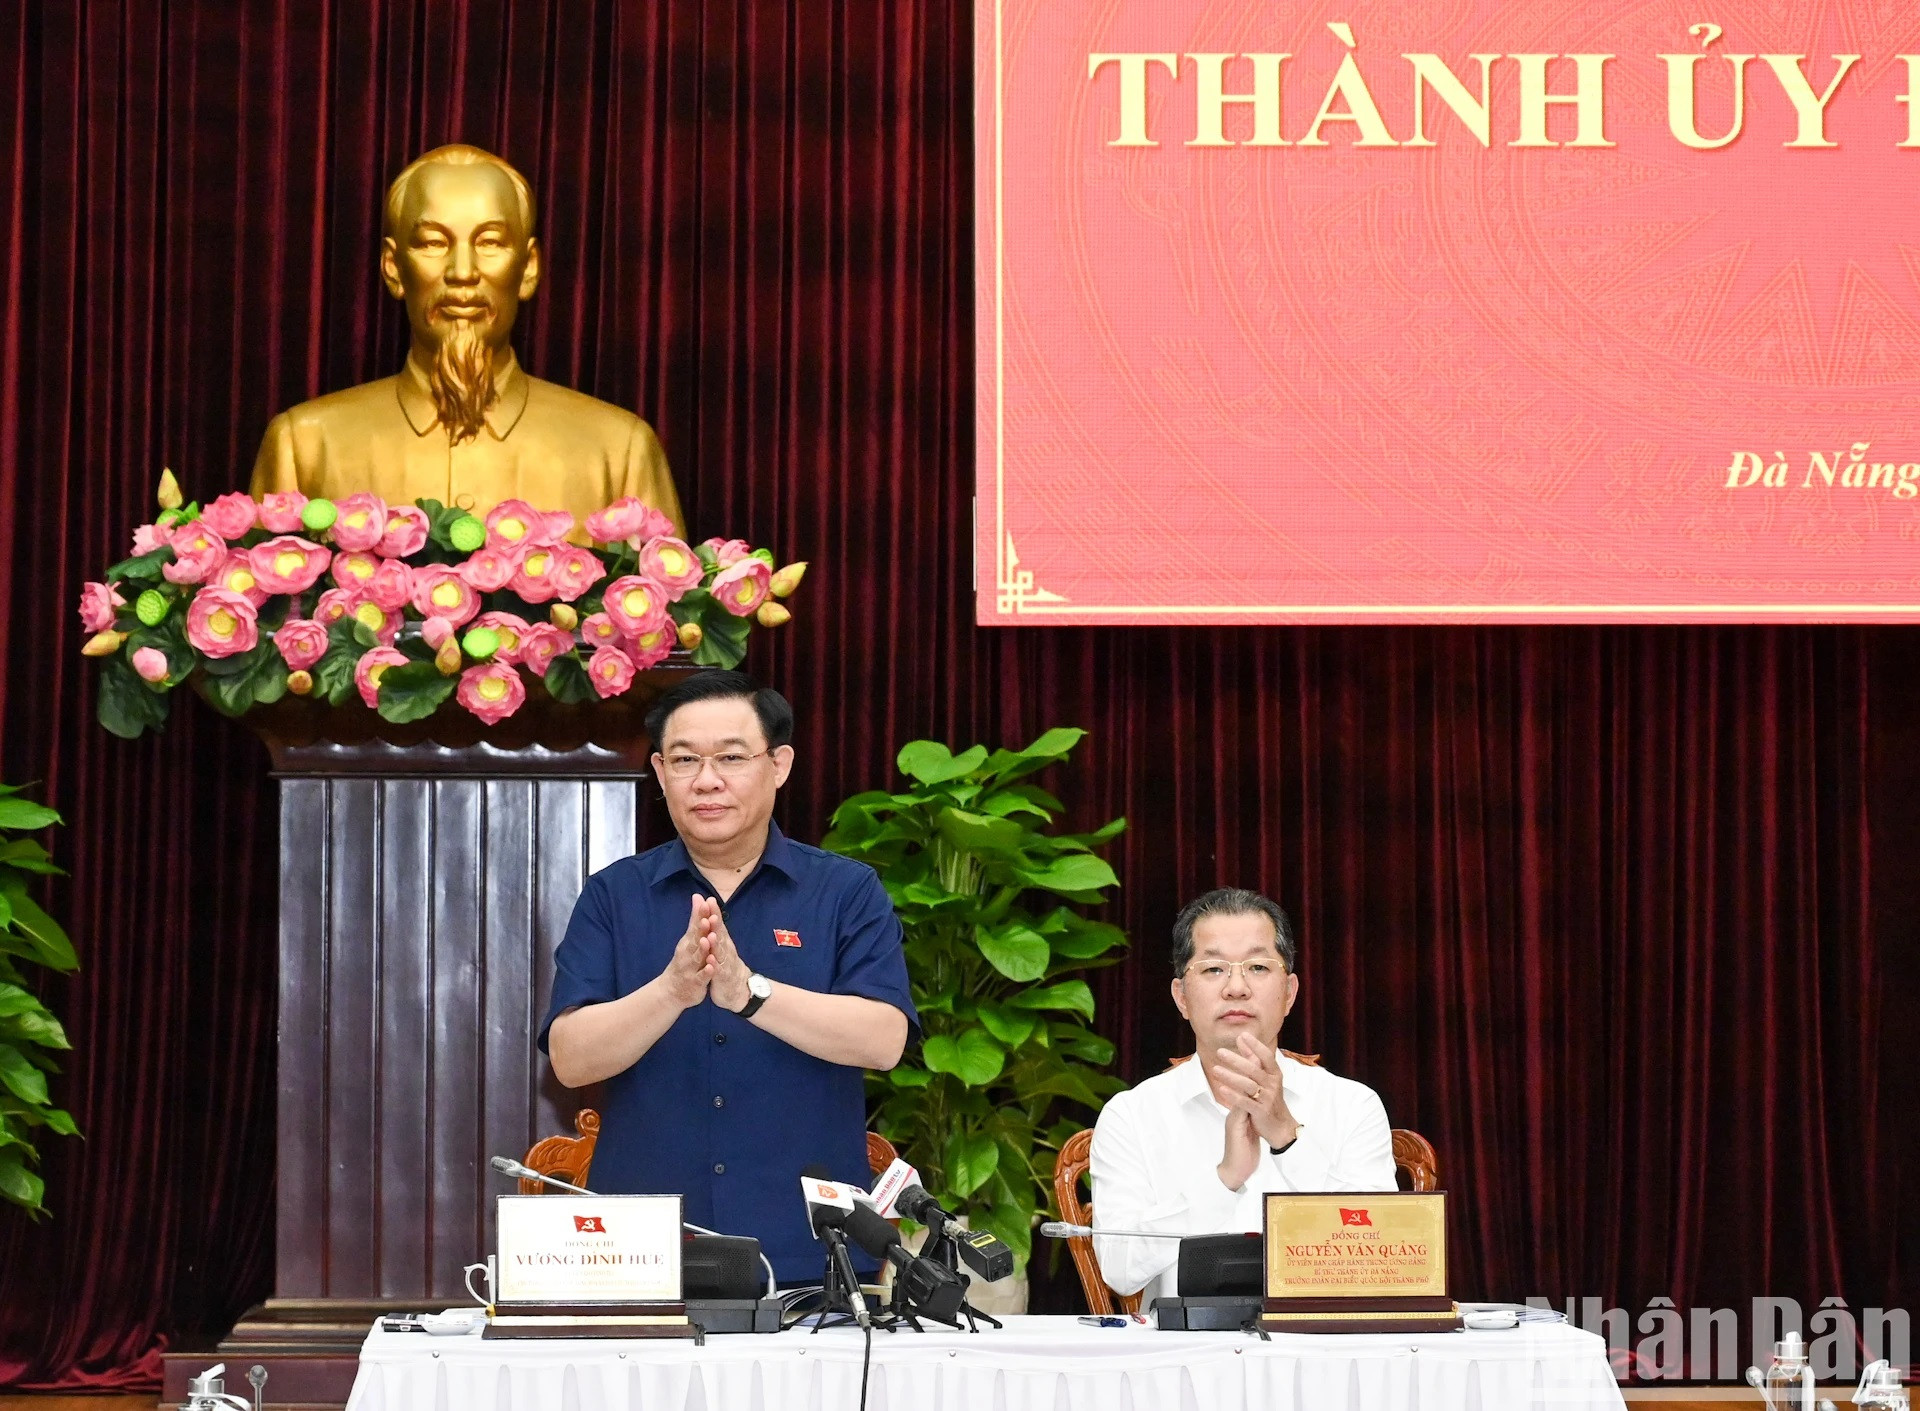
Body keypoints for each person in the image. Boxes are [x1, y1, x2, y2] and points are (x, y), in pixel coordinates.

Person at [540, 671, 915, 1281]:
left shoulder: (846, 892)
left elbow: (883, 1040)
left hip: (809, 1251)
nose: (707, 780)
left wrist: (749, 995)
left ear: (779, 764)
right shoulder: (615, 896)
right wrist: (671, 992)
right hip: (641, 1253)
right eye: (685, 760)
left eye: (732, 758)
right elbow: (571, 1060)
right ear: (660, 774)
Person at [249, 143, 683, 537]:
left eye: (491, 242)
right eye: (433, 243)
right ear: (393, 267)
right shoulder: (304, 446)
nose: (462, 272)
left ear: (529, 267)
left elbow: (672, 622)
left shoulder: (620, 452)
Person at [1090, 887, 1395, 1306]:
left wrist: (1287, 1137)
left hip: (1321, 1355)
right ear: (1181, 997)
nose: (1236, 987)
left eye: (1256, 966)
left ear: (1289, 993)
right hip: (1185, 1357)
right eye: (1214, 969)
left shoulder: (1352, 1106)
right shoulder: (1132, 1115)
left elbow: (1383, 1256)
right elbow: (1120, 1270)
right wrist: (1224, 1178)